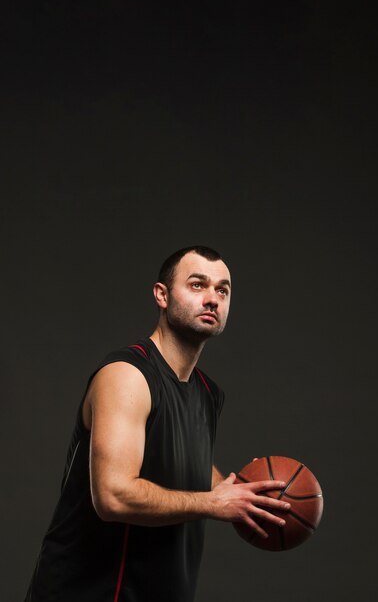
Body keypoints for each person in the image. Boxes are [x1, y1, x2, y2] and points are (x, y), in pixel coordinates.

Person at [25, 245, 291, 602]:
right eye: (197, 285)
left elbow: (178, 455)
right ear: (161, 296)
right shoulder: (127, 376)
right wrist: (215, 504)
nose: (212, 299)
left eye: (222, 290)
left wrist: (232, 488)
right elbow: (113, 496)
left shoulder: (208, 392)